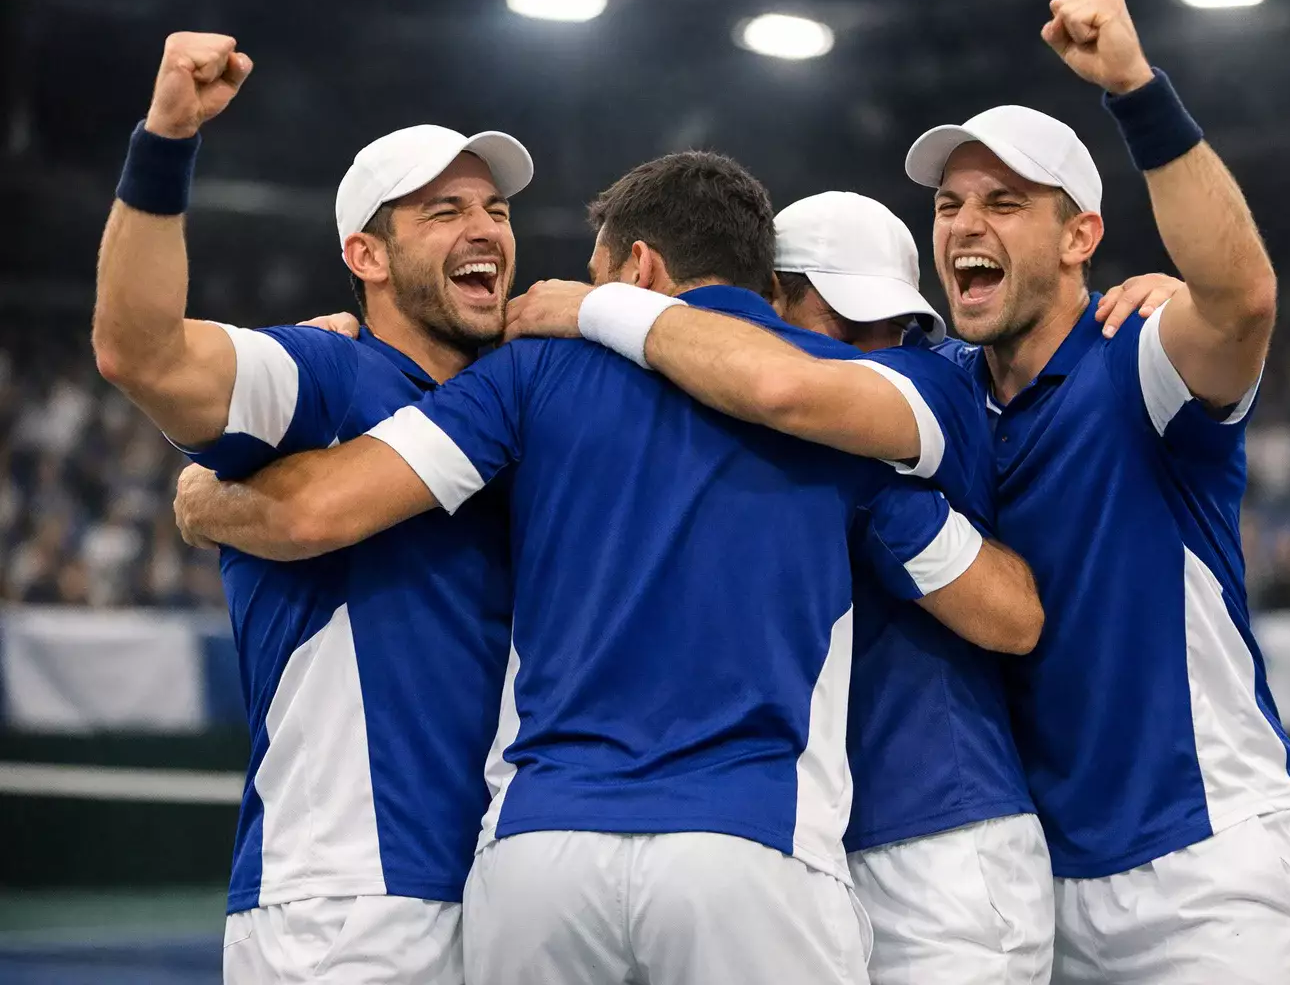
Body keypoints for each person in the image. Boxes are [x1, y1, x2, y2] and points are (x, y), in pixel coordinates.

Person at [174, 150, 1045, 985]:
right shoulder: (866, 412)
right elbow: (1013, 617)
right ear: (770, 291)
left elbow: (328, 503)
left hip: (538, 855)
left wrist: (209, 498)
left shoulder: (536, 370)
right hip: (751, 845)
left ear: (635, 265)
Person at [501, 189, 1179, 985]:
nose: (879, 350)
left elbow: (1016, 615)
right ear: (768, 301)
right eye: (850, 326)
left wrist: (597, 306)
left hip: (939, 838)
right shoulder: (702, 411)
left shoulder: (921, 396)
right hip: (799, 845)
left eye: (898, 328)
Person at [899, 0, 1290, 984]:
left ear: (1080, 239)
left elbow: (1242, 301)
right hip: (1044, 891)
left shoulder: (1141, 358)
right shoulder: (941, 393)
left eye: (1004, 203)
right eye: (950, 204)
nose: (966, 222)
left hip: (1214, 872)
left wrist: (1135, 88)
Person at [94, 32, 533, 984]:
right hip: (352, 900)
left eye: (496, 209)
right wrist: (166, 137)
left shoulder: (526, 403)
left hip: (511, 890)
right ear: (365, 253)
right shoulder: (327, 374)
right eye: (443, 209)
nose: (487, 228)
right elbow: (143, 353)